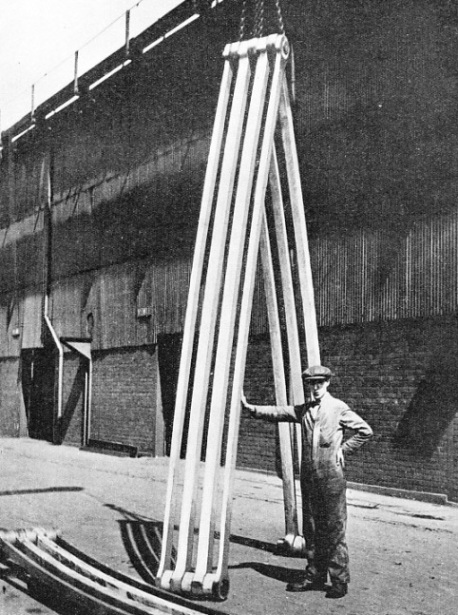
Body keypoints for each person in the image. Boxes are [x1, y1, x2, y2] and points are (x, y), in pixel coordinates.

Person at [242, 364, 373, 599]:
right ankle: (314, 575)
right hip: (310, 478)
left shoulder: (338, 408)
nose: (315, 388)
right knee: (311, 530)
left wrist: (344, 448)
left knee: (333, 530)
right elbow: (279, 412)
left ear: (327, 383)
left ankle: (339, 581)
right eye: (311, 385)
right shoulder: (304, 411)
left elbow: (365, 430)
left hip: (331, 479)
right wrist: (251, 408)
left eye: (319, 384)